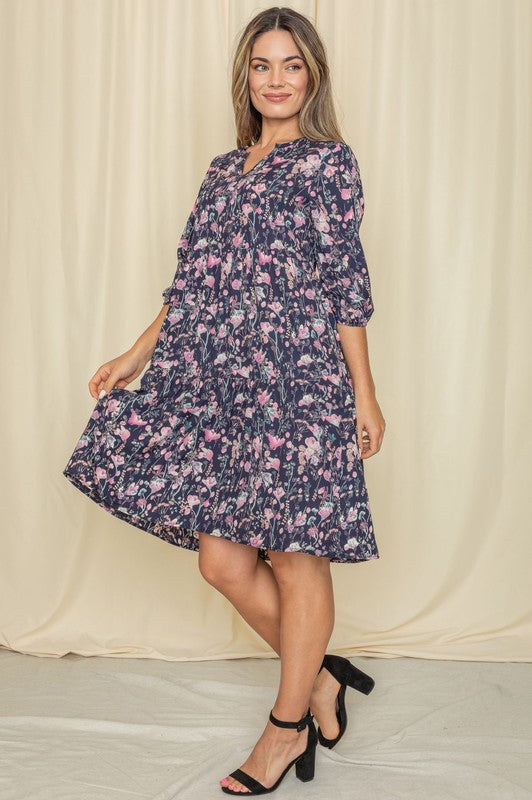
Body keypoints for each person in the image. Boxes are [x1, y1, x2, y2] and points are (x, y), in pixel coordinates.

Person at [63, 5, 386, 795]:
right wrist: (137, 353)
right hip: (215, 380)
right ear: (246, 77)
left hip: (298, 379)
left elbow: (346, 286)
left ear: (312, 76)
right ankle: (317, 679)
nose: (277, 81)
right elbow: (192, 285)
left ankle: (283, 731)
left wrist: (364, 397)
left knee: (294, 549)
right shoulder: (222, 169)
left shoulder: (326, 164)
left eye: (292, 66)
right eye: (262, 66)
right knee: (223, 559)